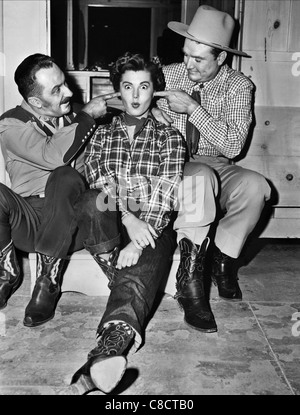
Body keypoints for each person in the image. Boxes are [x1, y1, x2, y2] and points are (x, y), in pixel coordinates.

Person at [64, 52, 186, 395]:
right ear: (118, 90)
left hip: (153, 225)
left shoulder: (169, 137)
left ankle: (108, 350)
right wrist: (128, 219)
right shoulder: (102, 135)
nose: (135, 95)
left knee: (144, 256)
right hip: (114, 220)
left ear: (154, 91)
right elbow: (96, 179)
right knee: (90, 200)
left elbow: (167, 192)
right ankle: (120, 275)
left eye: (143, 87)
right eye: (127, 87)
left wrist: (138, 236)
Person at [154, 5, 271, 332]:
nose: (188, 64)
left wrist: (192, 108)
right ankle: (190, 284)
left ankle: (223, 260)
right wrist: (151, 113)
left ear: (221, 58)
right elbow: (128, 96)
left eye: (198, 59)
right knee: (199, 178)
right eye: (186, 54)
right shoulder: (169, 73)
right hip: (173, 165)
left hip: (217, 164)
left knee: (256, 186)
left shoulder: (238, 86)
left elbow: (233, 146)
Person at [0, 53, 120, 327]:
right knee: (61, 170)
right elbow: (54, 155)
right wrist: (87, 116)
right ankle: (6, 274)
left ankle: (47, 284)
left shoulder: (76, 116)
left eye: (65, 83)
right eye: (57, 90)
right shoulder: (11, 124)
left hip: (75, 224)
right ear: (35, 102)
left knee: (67, 178)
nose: (68, 91)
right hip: (31, 222)